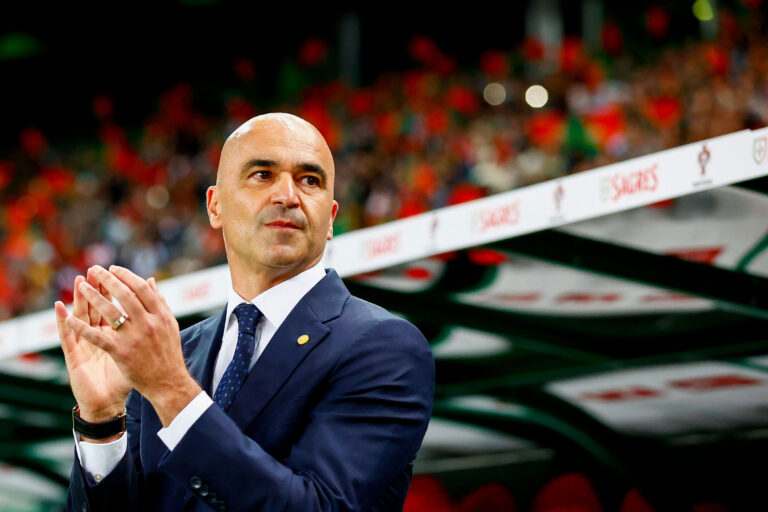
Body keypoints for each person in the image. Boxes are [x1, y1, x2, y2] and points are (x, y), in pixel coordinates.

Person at [54, 113, 435, 511]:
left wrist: (172, 392)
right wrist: (101, 423)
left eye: (310, 180)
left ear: (330, 220)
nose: (288, 195)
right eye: (263, 175)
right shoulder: (173, 353)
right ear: (215, 206)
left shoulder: (384, 346)